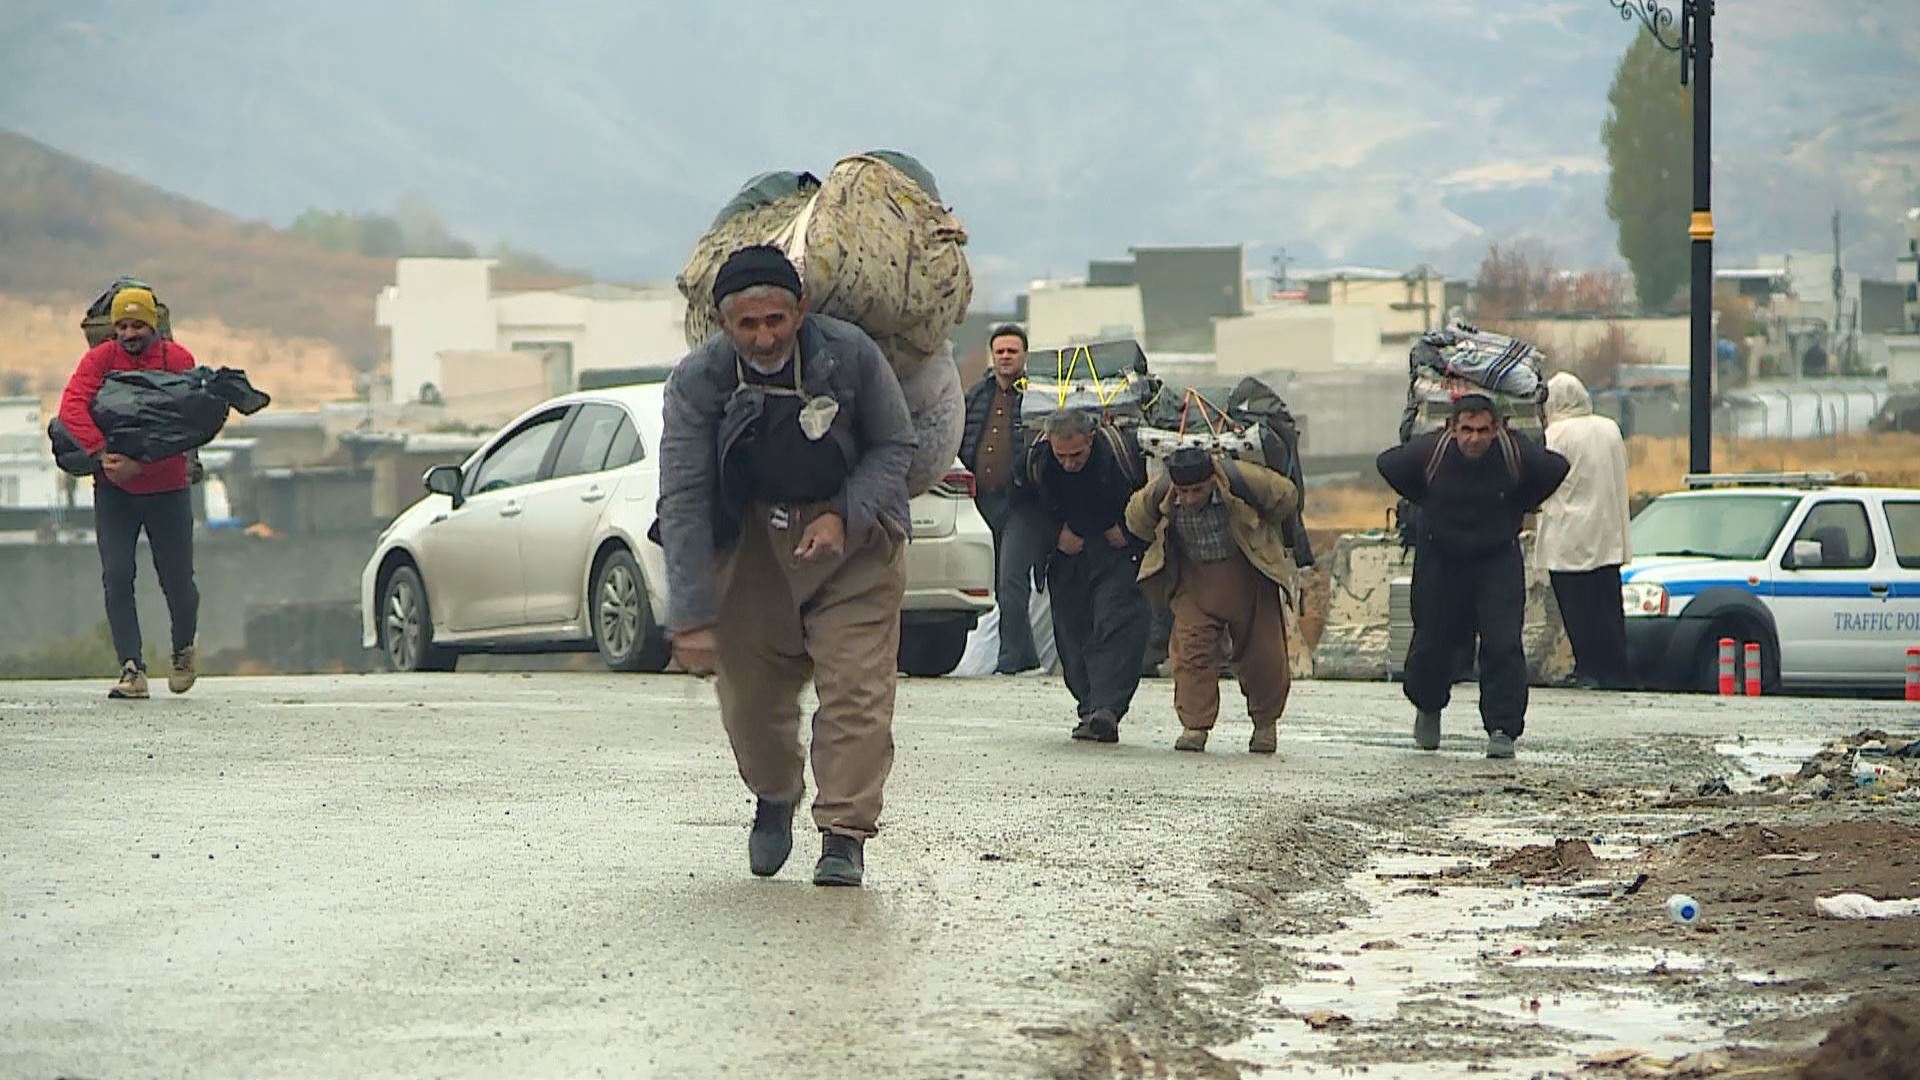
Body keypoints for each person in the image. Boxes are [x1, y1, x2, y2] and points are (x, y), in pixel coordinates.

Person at [656, 245, 915, 888]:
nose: (765, 336)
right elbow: (683, 497)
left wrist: (844, 515)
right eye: (748, 325)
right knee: (749, 703)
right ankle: (775, 795)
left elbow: (895, 444)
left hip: (855, 547)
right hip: (750, 549)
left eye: (776, 320)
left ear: (799, 311)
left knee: (858, 691)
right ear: (723, 325)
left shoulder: (850, 356)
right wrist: (690, 613)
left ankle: (843, 836)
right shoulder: (697, 383)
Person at [1376, 394, 1569, 759]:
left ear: (1496, 429)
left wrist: (1519, 503)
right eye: (1466, 430)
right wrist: (1426, 501)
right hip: (1441, 559)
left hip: (1496, 559)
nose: (1474, 439)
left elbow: (1556, 467)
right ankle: (1428, 708)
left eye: (1483, 430)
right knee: (1432, 641)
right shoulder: (1431, 453)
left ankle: (1502, 729)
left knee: (1502, 643)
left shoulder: (1514, 454)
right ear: (1452, 428)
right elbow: (1387, 463)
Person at [57, 286, 200, 701]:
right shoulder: (99, 360)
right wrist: (101, 455)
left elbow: (186, 423)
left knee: (177, 581)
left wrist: (146, 464)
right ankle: (132, 668)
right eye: (122, 325)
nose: (130, 333)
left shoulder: (179, 361)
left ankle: (183, 649)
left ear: (153, 325)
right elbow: (72, 406)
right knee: (117, 576)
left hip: (168, 488)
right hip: (114, 490)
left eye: (138, 324)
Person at [1126, 446, 1299, 754]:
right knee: (1191, 654)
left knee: (1265, 657)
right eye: (1184, 491)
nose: (1190, 498)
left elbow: (1286, 497)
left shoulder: (1243, 481)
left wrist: (1262, 527)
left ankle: (1265, 725)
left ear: (1212, 480)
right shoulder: (1162, 493)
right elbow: (1135, 518)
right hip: (1194, 582)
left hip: (1249, 575)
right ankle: (1194, 727)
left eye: (1198, 490)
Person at [1027, 408, 1149, 743]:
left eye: (1076, 455)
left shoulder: (1124, 456)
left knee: (1116, 624)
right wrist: (1055, 536)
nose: (1068, 463)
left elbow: (1154, 499)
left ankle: (1107, 709)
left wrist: (1129, 531)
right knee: (1071, 632)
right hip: (1068, 558)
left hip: (1117, 555)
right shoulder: (1037, 462)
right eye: (1061, 455)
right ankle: (1089, 707)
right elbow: (1021, 509)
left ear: (1092, 439)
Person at [1536, 372, 1634, 690]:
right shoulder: (1609, 429)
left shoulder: (1556, 434)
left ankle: (1588, 668)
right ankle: (1616, 670)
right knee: (1608, 607)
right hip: (1608, 533)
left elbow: (1544, 483)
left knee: (1578, 611)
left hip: (1568, 536)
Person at [959, 323, 1045, 673]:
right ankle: (1023, 656)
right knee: (989, 583)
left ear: (1024, 355)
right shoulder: (977, 395)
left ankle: (1011, 658)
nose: (1006, 357)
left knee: (1012, 581)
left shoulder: (1037, 397)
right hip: (979, 505)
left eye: (1012, 351)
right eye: (1000, 352)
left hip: (1020, 506)